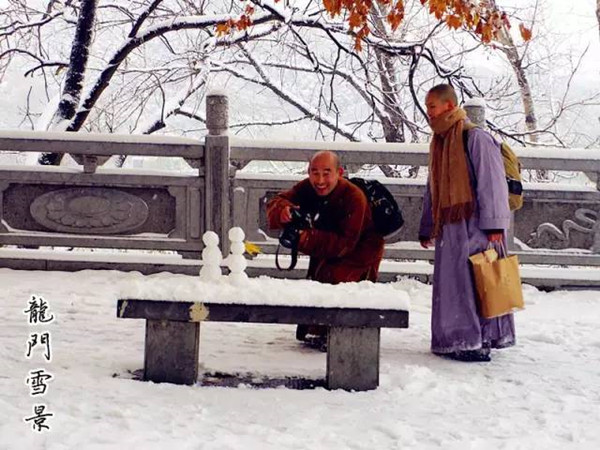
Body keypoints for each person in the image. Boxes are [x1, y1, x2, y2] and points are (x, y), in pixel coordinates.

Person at [419, 84, 516, 362]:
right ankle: (457, 339)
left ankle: (479, 340)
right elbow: (433, 188)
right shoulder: (440, 142)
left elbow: (492, 182)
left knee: (479, 281)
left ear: (449, 106)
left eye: (432, 106)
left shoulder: (475, 137)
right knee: (455, 286)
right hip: (450, 227)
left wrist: (496, 226)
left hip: (477, 226)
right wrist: (428, 225)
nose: (429, 113)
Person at [267, 150, 385, 348]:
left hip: (360, 253)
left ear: (339, 172)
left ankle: (344, 339)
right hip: (325, 246)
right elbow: (278, 200)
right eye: (315, 172)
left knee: (339, 291)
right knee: (318, 289)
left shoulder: (354, 197)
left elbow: (346, 244)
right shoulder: (308, 187)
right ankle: (318, 332)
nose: (320, 180)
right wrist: (283, 211)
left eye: (326, 173)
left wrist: (304, 238)